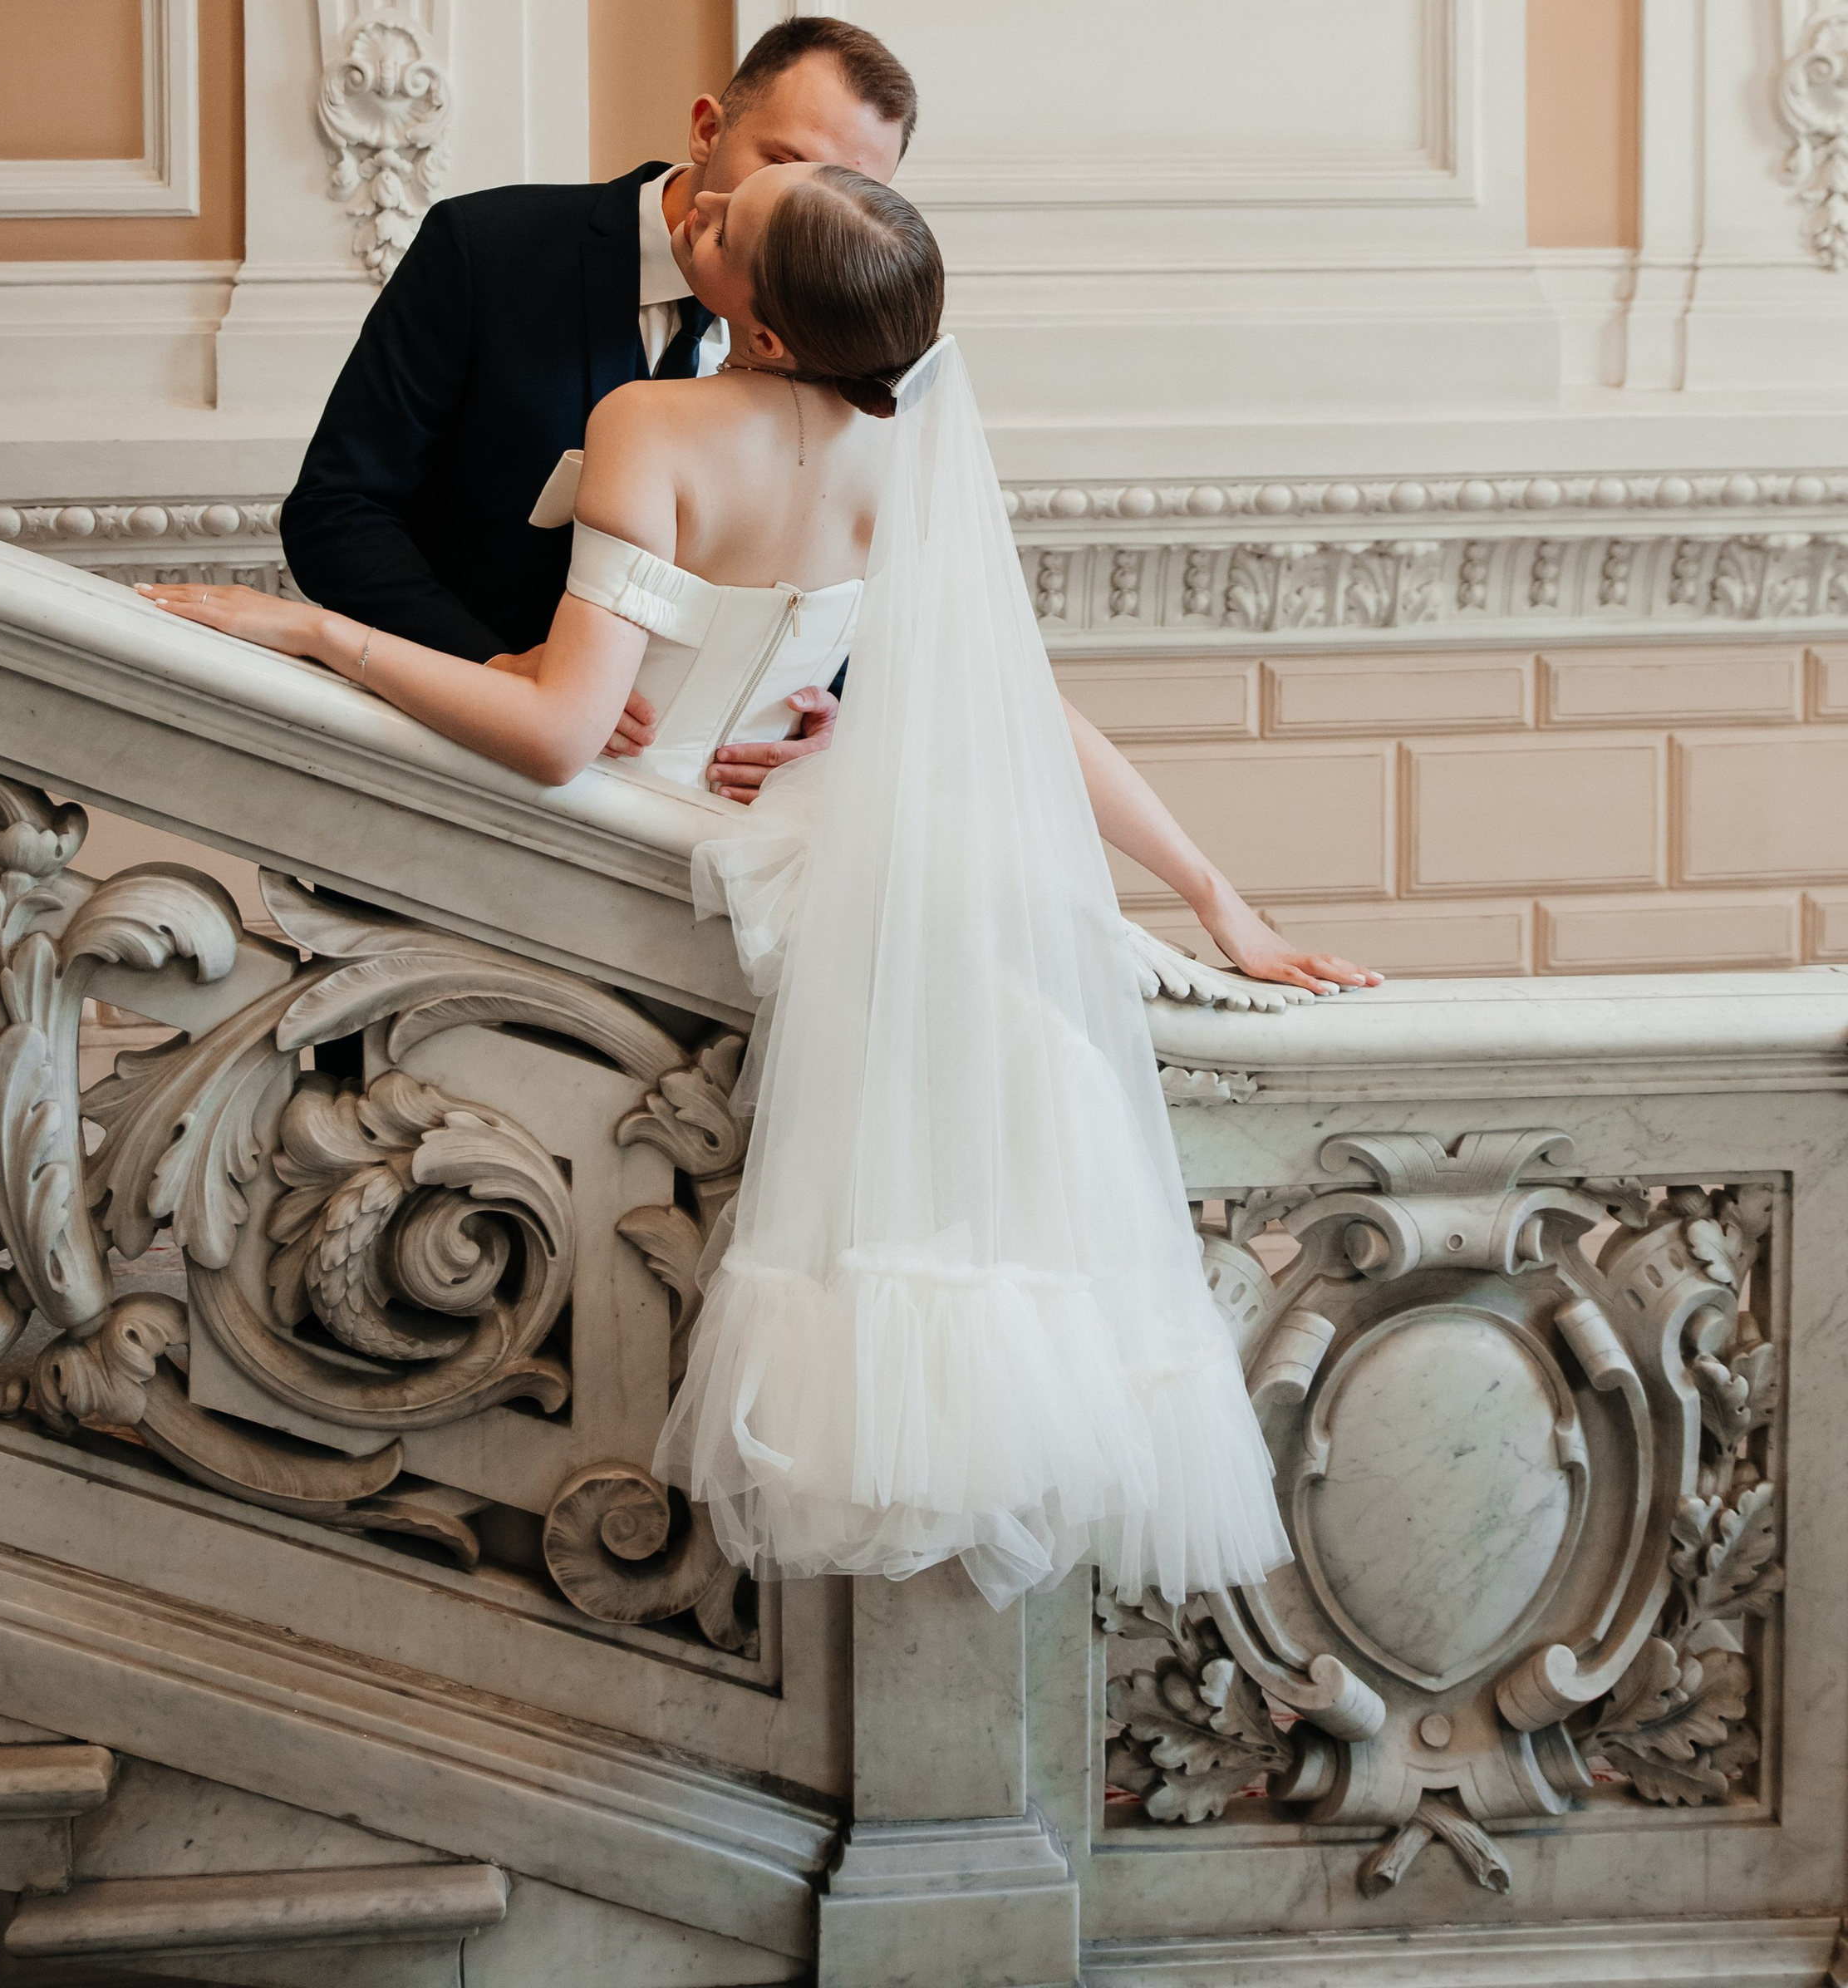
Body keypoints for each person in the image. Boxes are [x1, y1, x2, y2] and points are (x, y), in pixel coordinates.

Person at [145, 158, 1377, 1614]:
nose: (700, 212)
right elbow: (1026, 710)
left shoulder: (649, 421)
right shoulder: (909, 446)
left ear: (771, 330)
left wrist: (307, 635)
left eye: (731, 227)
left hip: (644, 835)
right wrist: (1219, 900)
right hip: (803, 823)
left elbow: (554, 736)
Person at [278, 13, 914, 800]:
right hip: (452, 780)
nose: (800, 212)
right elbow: (337, 514)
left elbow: (851, 567)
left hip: (713, 826)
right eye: (783, 163)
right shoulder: (485, 249)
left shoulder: (854, 352)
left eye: (847, 193)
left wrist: (841, 719)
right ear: (707, 128)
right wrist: (494, 670)